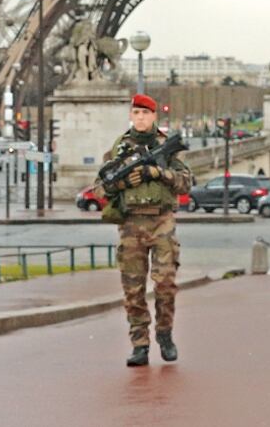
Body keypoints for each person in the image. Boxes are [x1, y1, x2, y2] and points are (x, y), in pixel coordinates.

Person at [97, 94, 192, 366]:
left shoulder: (166, 146)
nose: (140, 118)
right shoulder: (119, 148)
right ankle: (139, 344)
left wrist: (158, 174)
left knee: (165, 284)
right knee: (133, 289)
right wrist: (122, 184)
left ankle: (164, 334)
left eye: (145, 113)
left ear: (153, 116)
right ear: (131, 116)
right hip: (130, 224)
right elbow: (100, 186)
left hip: (162, 221)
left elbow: (186, 183)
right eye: (136, 113)